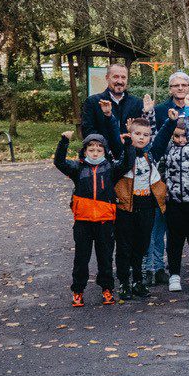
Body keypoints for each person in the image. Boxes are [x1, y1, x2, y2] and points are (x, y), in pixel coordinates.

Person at [53, 124, 132, 307]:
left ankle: (107, 289)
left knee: (105, 257)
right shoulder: (77, 168)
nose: (95, 153)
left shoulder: (111, 168)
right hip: (83, 221)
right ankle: (78, 291)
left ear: (104, 151)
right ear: (85, 150)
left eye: (99, 149)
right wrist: (64, 142)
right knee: (81, 258)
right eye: (91, 149)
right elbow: (59, 162)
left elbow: (128, 163)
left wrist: (128, 144)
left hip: (105, 221)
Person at [113, 116, 175, 301]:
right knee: (124, 247)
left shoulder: (152, 154)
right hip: (126, 207)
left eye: (146, 135)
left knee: (141, 246)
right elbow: (114, 140)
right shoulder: (122, 153)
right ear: (129, 134)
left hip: (146, 205)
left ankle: (137, 281)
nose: (141, 138)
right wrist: (110, 118)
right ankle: (124, 282)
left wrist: (170, 122)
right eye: (137, 134)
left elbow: (163, 139)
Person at [153, 109, 189, 292]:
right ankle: (174, 274)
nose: (181, 140)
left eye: (184, 136)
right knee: (174, 240)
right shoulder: (167, 149)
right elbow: (155, 146)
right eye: (177, 136)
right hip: (174, 202)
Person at [81, 63, 144, 142]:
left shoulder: (137, 103)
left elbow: (144, 132)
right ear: (107, 78)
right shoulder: (93, 102)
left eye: (123, 77)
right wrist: (114, 141)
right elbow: (88, 131)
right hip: (103, 151)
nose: (120, 81)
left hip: (130, 151)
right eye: (116, 77)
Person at [154, 71, 189, 139]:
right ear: (170, 89)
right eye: (176, 85)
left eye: (184, 85)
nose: (180, 88)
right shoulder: (159, 110)